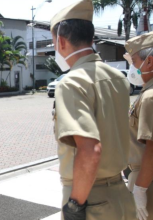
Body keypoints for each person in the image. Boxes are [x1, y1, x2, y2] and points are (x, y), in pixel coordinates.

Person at [50, 1, 137, 219]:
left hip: (90, 200)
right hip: (121, 194)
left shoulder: (72, 83)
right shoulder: (117, 77)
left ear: (60, 41)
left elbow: (90, 151)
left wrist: (75, 205)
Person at [125, 32, 153, 220]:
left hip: (146, 180)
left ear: (149, 62)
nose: (132, 67)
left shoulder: (150, 97)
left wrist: (140, 189)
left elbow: (151, 147)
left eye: (133, 61)